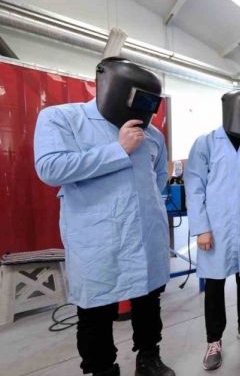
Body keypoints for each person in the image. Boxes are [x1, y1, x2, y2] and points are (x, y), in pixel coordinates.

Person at [33, 57, 175, 376]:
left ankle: (148, 358)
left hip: (146, 232)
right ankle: (103, 369)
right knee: (96, 308)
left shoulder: (152, 135)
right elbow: (50, 168)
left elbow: (157, 177)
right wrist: (118, 150)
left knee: (149, 299)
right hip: (97, 237)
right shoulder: (63, 118)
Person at [184, 91, 240, 371]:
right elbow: (194, 187)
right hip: (217, 226)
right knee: (215, 284)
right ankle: (214, 340)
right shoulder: (206, 143)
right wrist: (201, 228)